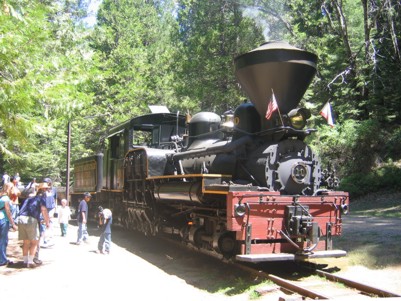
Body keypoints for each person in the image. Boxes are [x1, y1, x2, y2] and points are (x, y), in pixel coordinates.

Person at [18, 182, 50, 268]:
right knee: (34, 242)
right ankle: (31, 261)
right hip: (31, 220)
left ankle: (25, 262)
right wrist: (47, 221)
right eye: (46, 189)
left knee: (26, 242)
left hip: (21, 219)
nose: (47, 191)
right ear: (43, 190)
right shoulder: (41, 199)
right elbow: (44, 210)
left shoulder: (29, 199)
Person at [0, 183, 18, 266]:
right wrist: (13, 224)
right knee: (3, 240)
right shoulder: (6, 198)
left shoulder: (1, 196)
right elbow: (8, 211)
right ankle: (2, 260)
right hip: (3, 220)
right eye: (12, 188)